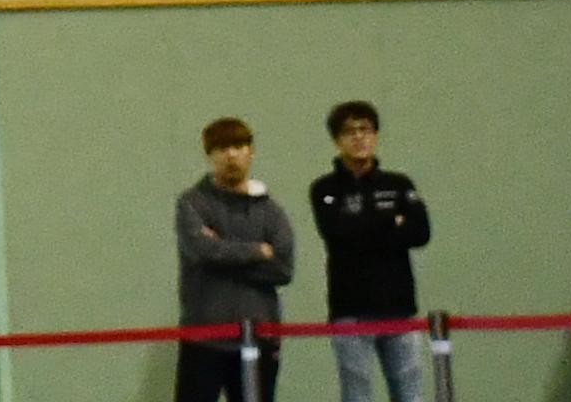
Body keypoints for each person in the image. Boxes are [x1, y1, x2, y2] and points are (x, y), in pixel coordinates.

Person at [310, 102, 431, 402]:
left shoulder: (399, 184)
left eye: (365, 129)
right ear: (337, 141)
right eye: (350, 131)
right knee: (357, 395)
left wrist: (363, 225)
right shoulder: (325, 189)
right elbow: (338, 236)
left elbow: (420, 233)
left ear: (376, 135)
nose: (359, 137)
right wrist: (391, 221)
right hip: (350, 310)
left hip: (400, 309)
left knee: (409, 394)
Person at [175, 119, 297, 402]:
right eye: (222, 148)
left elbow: (283, 268)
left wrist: (221, 251)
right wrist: (257, 251)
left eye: (239, 146)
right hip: (203, 336)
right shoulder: (191, 203)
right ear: (209, 155)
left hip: (258, 338)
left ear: (251, 152)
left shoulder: (271, 211)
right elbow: (202, 251)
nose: (231, 155)